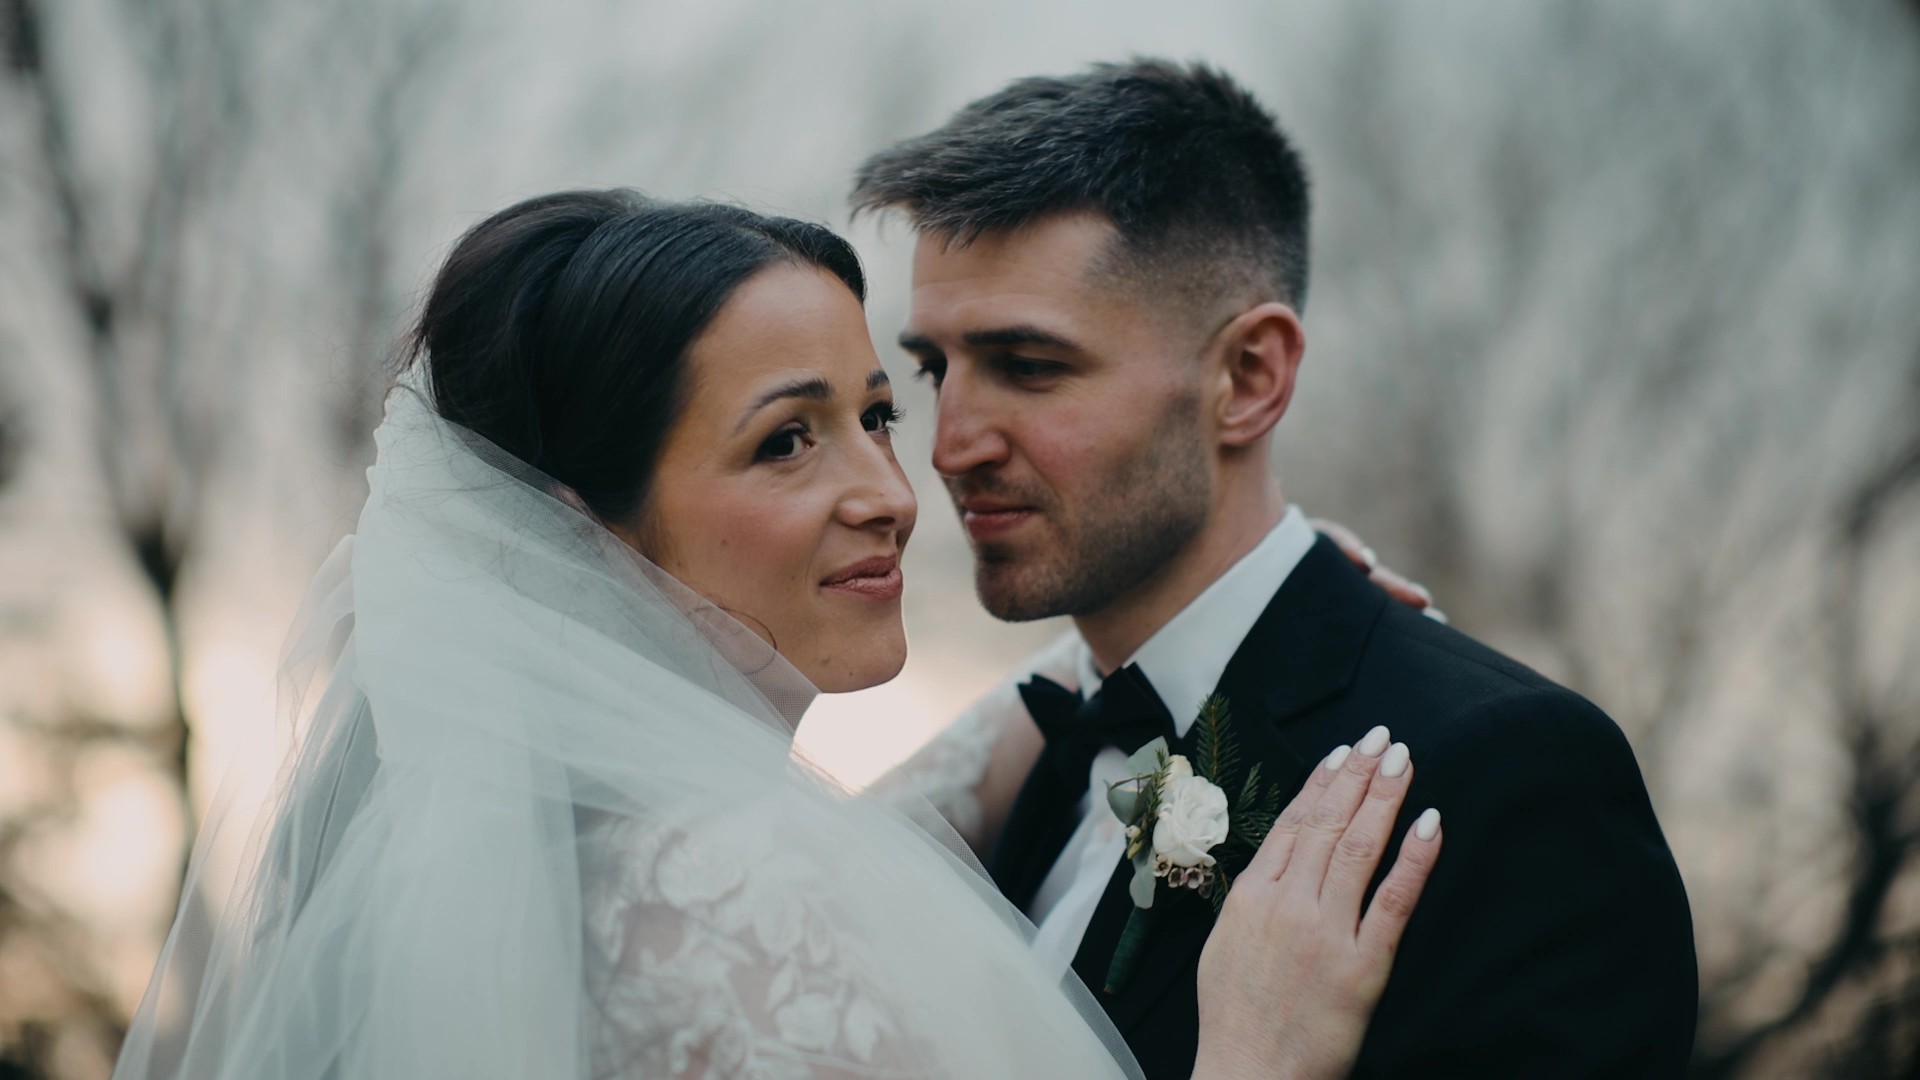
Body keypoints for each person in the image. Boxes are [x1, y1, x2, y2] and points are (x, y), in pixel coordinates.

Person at [111, 191, 1444, 1080]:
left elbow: (937, 791)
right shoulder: (740, 906)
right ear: (586, 532)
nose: (885, 490)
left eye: (874, 415)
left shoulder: (581, 858)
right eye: (784, 440)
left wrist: (1238, 600)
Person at [853, 59, 1699, 1078]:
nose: (951, 447)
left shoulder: (1504, 774)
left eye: (1031, 367)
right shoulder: (1045, 755)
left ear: (1249, 378)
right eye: (939, 370)